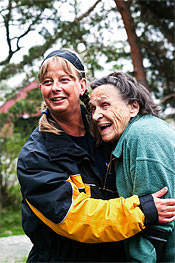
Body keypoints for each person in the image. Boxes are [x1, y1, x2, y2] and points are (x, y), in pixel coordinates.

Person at [17, 49, 175, 262]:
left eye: (64, 79)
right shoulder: (35, 156)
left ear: (82, 85)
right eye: (47, 82)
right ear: (41, 89)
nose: (55, 88)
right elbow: (74, 217)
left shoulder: (105, 130)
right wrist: (141, 211)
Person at [90, 71, 175, 262]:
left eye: (105, 105)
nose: (95, 116)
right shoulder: (137, 133)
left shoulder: (142, 136)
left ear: (133, 107)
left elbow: (156, 226)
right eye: (92, 108)